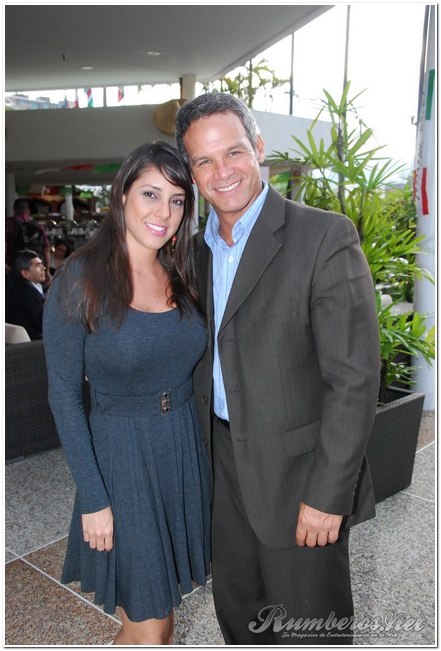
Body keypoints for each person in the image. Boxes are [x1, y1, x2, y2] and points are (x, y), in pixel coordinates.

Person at [175, 93, 381, 645]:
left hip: (299, 480)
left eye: (233, 152)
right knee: (241, 622)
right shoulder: (191, 254)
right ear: (192, 172)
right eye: (204, 161)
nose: (222, 172)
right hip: (221, 470)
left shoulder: (323, 236)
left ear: (259, 148)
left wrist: (328, 496)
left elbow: (354, 380)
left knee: (310, 631)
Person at [43, 142, 211, 646]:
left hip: (182, 449)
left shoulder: (181, 271)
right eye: (150, 194)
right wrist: (95, 499)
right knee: (148, 620)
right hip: (124, 460)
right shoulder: (80, 279)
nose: (164, 212)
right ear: (122, 195)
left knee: (166, 608)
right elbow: (63, 394)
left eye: (177, 200)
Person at [6, 199, 51, 285]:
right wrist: (47, 270)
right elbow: (47, 249)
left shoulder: (8, 224)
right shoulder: (38, 226)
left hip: (14, 267)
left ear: (14, 210)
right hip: (35, 268)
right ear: (28, 211)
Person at [7, 249, 46, 340]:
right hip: (34, 343)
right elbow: (44, 324)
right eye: (38, 265)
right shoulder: (28, 292)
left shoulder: (18, 285)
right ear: (25, 273)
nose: (43, 268)